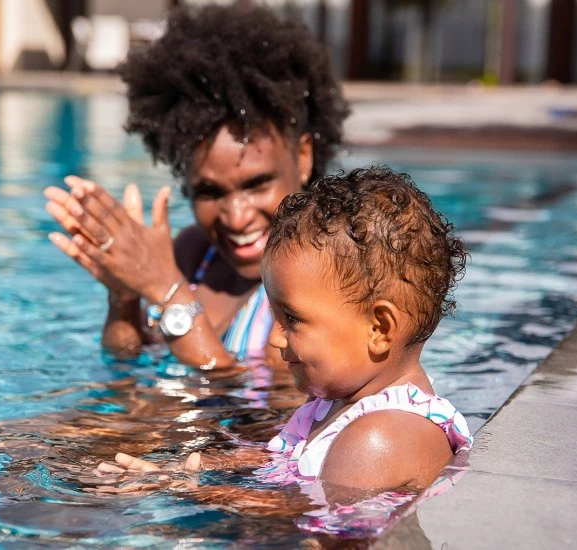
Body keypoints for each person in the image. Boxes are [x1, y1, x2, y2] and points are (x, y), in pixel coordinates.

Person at [102, 167, 473, 494]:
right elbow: (280, 461)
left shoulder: (380, 438)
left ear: (379, 328)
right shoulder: (336, 406)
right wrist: (188, 467)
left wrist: (192, 492)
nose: (276, 337)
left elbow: (311, 524)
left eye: (291, 319)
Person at [44, 4, 350, 368]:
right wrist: (124, 295)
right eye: (210, 192)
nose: (236, 218)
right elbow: (125, 362)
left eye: (257, 184)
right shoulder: (195, 255)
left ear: (302, 157)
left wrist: (166, 290)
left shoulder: (318, 272)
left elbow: (271, 412)